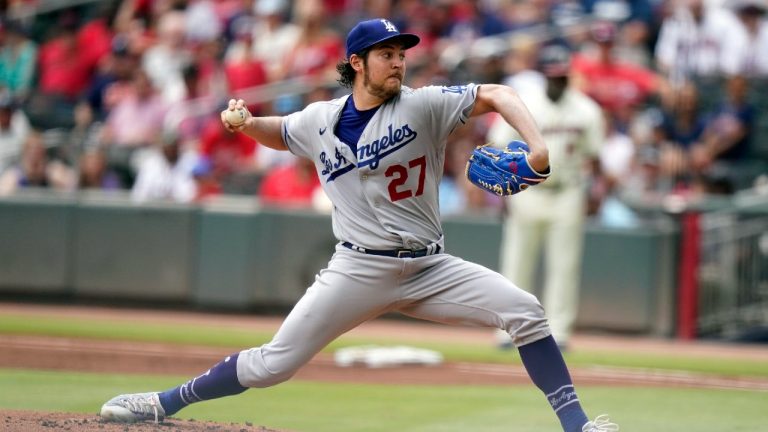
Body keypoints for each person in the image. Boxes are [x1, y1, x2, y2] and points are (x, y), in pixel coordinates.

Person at [99, 18, 618, 432]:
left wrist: (539, 146)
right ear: (357, 63)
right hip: (357, 269)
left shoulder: (423, 106)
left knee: (525, 311)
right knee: (271, 366)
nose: (398, 63)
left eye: (401, 54)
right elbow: (281, 132)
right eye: (386, 55)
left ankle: (578, 427)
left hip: (430, 266)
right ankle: (163, 403)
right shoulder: (319, 119)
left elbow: (500, 94)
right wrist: (245, 123)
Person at [487, 43, 605, 351]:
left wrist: (596, 190)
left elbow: (593, 156)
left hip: (568, 190)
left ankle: (559, 333)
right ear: (542, 75)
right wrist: (504, 191)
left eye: (562, 76)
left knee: (564, 266)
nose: (557, 81)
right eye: (552, 76)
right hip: (527, 190)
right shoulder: (522, 104)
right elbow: (498, 145)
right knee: (516, 263)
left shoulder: (586, 109)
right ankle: (509, 331)